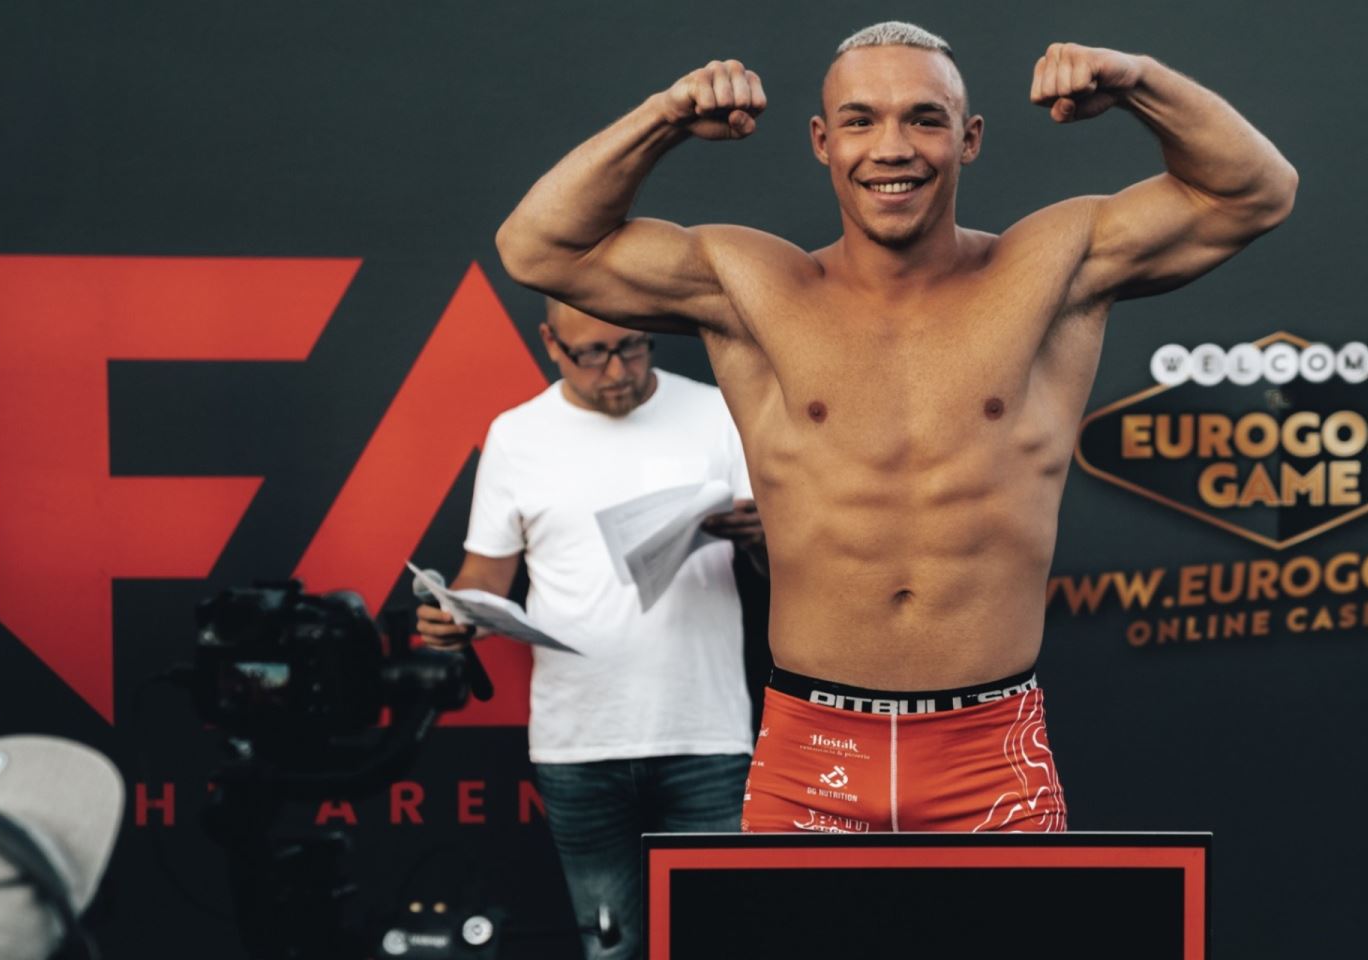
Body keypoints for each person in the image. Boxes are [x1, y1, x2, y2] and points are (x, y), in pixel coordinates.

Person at [493, 22, 1297, 833]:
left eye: (924, 118)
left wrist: (1137, 82)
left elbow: (1255, 192)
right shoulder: (750, 286)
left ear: (968, 138)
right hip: (812, 752)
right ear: (822, 141)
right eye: (861, 120)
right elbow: (537, 249)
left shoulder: (1050, 268)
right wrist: (664, 117)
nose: (892, 147)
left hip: (990, 751)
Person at [416, 299, 763, 959]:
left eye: (631, 346)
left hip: (705, 736)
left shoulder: (717, 413)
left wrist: (759, 537)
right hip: (578, 743)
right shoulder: (517, 435)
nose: (617, 370)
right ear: (551, 343)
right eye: (592, 354)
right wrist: (456, 614)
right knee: (611, 948)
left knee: (718, 940)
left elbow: (783, 568)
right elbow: (485, 575)